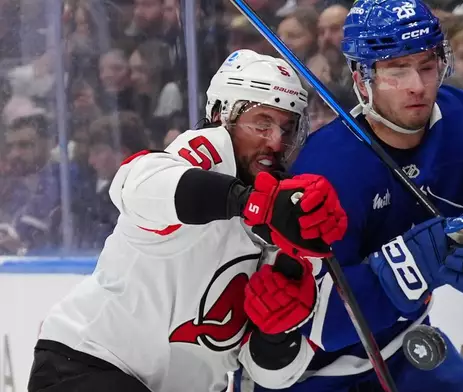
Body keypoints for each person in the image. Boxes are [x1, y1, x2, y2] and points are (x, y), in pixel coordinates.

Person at [236, 1, 463, 391]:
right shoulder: (325, 169)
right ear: (361, 77)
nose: (417, 85)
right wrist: (409, 267)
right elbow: (317, 324)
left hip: (406, 345)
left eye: (425, 65)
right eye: (396, 70)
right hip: (311, 374)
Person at [27, 49, 348, 392]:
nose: (274, 141)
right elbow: (135, 185)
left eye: (287, 128)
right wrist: (250, 202)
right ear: (219, 116)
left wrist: (276, 332)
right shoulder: (207, 154)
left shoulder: (289, 221)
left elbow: (270, 375)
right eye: (261, 123)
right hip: (89, 362)